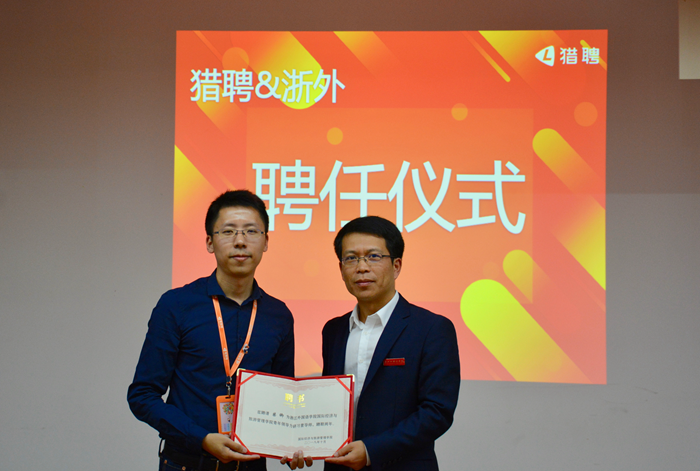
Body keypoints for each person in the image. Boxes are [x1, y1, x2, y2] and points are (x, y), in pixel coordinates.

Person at [128, 190, 295, 471]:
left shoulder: (279, 316)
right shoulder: (176, 305)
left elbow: (283, 399)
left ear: (266, 241)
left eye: (251, 231)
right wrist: (201, 438)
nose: (240, 241)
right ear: (209, 242)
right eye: (228, 231)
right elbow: (142, 395)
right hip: (187, 463)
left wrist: (292, 443)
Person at [321, 216, 460, 471]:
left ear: (396, 266)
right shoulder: (334, 330)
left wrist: (371, 450)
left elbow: (437, 412)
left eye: (373, 256)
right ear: (341, 269)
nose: (362, 267)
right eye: (351, 258)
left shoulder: (432, 329)